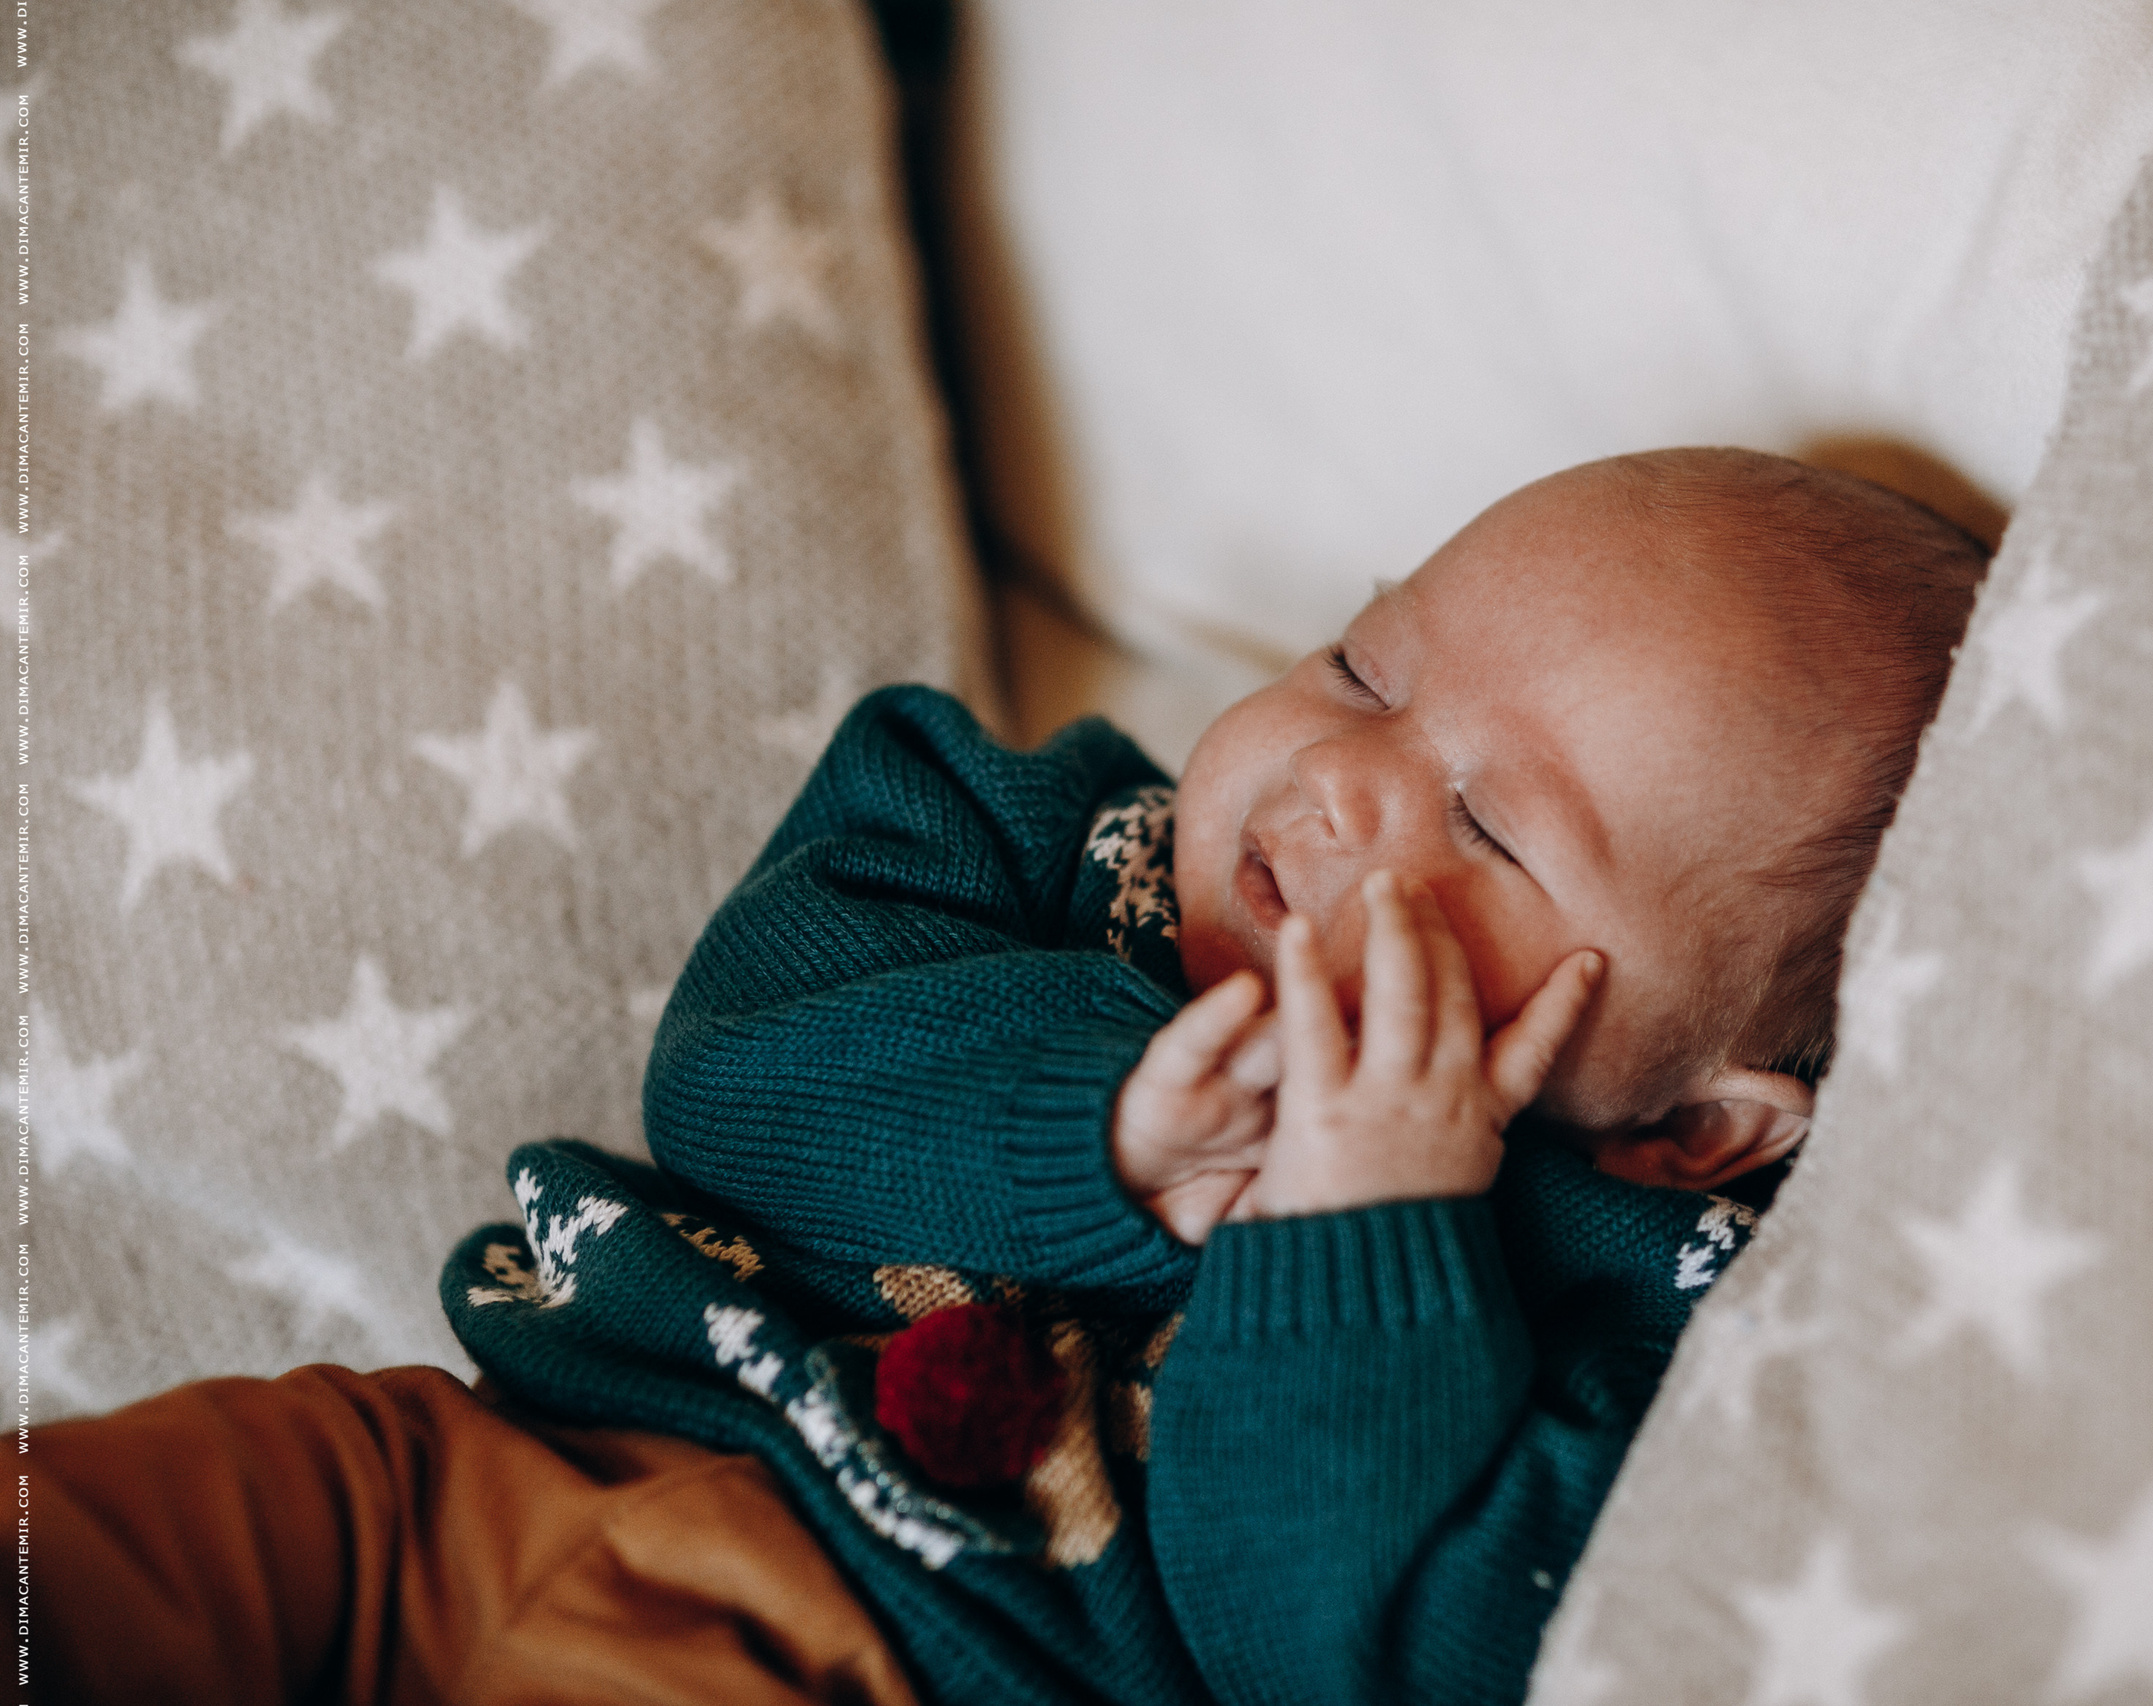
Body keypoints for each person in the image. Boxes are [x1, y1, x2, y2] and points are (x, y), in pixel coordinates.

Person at [31, 449, 1984, 1706]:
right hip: (475, 1462)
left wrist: (1358, 1242)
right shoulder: (1031, 839)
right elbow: (738, 1069)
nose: (1339, 777)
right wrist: (1103, 1134)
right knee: (119, 1540)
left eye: (1485, 826)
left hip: (873, 1661)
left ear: (1682, 1121)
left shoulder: (1622, 1308)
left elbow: (1337, 1652)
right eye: (1363, 668)